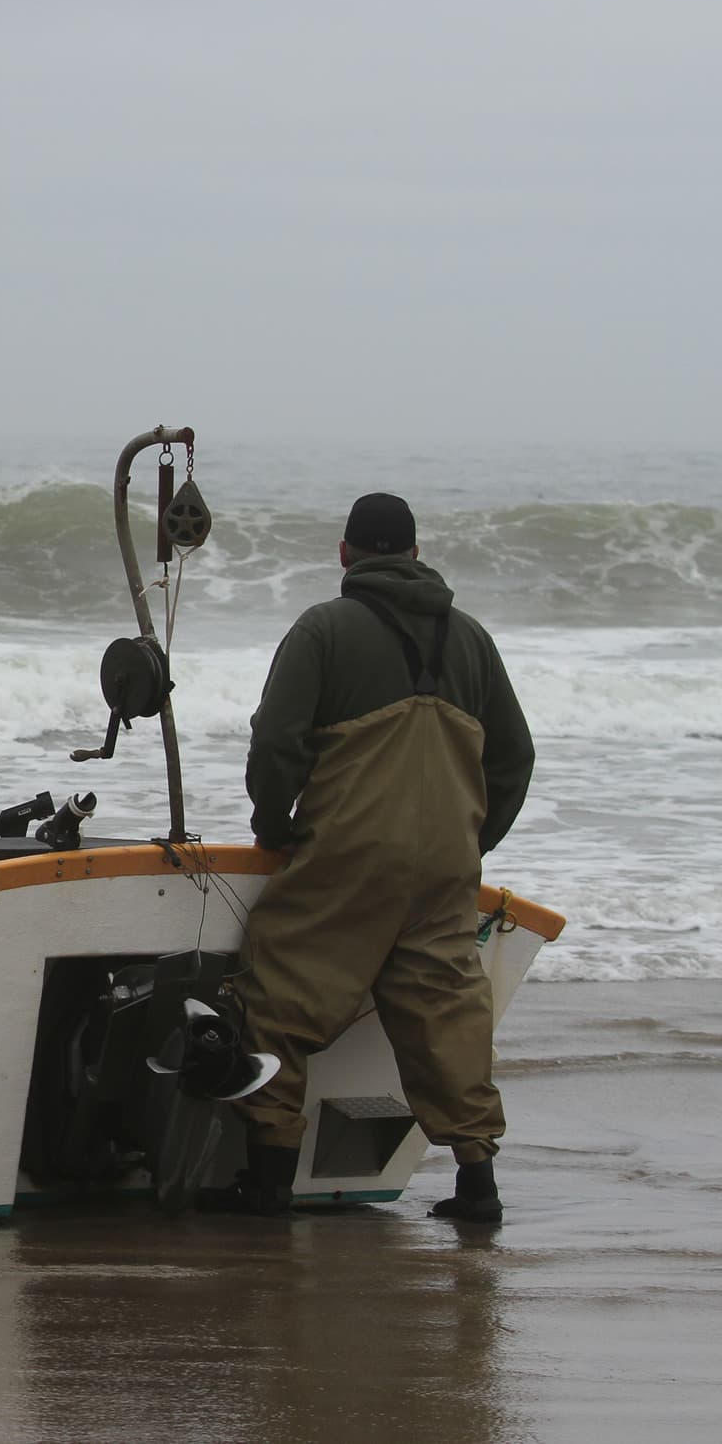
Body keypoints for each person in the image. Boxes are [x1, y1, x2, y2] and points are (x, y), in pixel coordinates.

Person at [211, 493, 535, 1223]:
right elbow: (515, 757)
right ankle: (477, 1185)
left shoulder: (324, 629)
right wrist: (474, 841)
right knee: (447, 1012)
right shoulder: (473, 639)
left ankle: (267, 1181)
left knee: (276, 995)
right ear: (417, 554)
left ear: (345, 553)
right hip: (445, 869)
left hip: (348, 859)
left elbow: (276, 741)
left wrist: (274, 823)